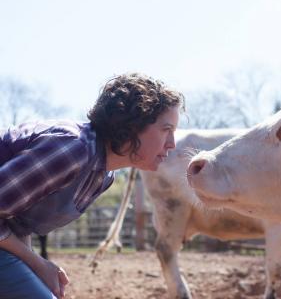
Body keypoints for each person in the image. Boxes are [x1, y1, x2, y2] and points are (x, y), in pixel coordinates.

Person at [0, 72, 184, 299]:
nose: (172, 144)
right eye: (166, 130)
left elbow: (16, 220)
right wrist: (36, 263)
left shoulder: (103, 176)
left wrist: (33, 265)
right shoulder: (73, 149)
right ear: (134, 125)